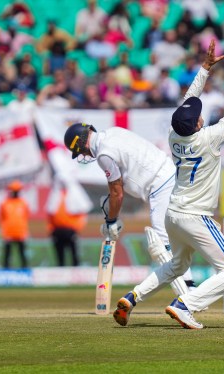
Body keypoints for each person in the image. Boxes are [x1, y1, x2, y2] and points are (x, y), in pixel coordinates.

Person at [113, 41, 224, 329]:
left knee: (177, 265)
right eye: (199, 115)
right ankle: (185, 304)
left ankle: (132, 296)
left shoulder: (174, 135)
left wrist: (204, 69)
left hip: (172, 214)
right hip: (195, 216)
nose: (201, 114)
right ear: (198, 124)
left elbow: (186, 102)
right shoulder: (209, 138)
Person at [63, 121, 195, 314]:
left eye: (80, 152)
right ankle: (196, 286)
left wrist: (111, 221)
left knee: (163, 239)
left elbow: (117, 192)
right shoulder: (113, 133)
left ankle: (188, 291)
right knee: (186, 230)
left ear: (81, 144)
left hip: (160, 185)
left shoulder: (103, 154)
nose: (84, 155)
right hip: (170, 173)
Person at [47, 177, 89, 266]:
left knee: (74, 253)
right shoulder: (56, 197)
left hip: (70, 230)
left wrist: (76, 228)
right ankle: (61, 271)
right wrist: (51, 228)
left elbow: (81, 214)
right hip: (58, 230)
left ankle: (76, 272)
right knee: (59, 254)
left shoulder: (73, 197)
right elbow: (50, 214)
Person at [0, 180, 29, 268]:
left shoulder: (23, 203)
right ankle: (5, 271)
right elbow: (3, 218)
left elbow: (25, 218)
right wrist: (4, 233)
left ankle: (24, 271)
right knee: (7, 254)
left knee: (22, 253)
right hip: (8, 233)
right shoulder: (5, 203)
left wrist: (24, 232)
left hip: (20, 233)